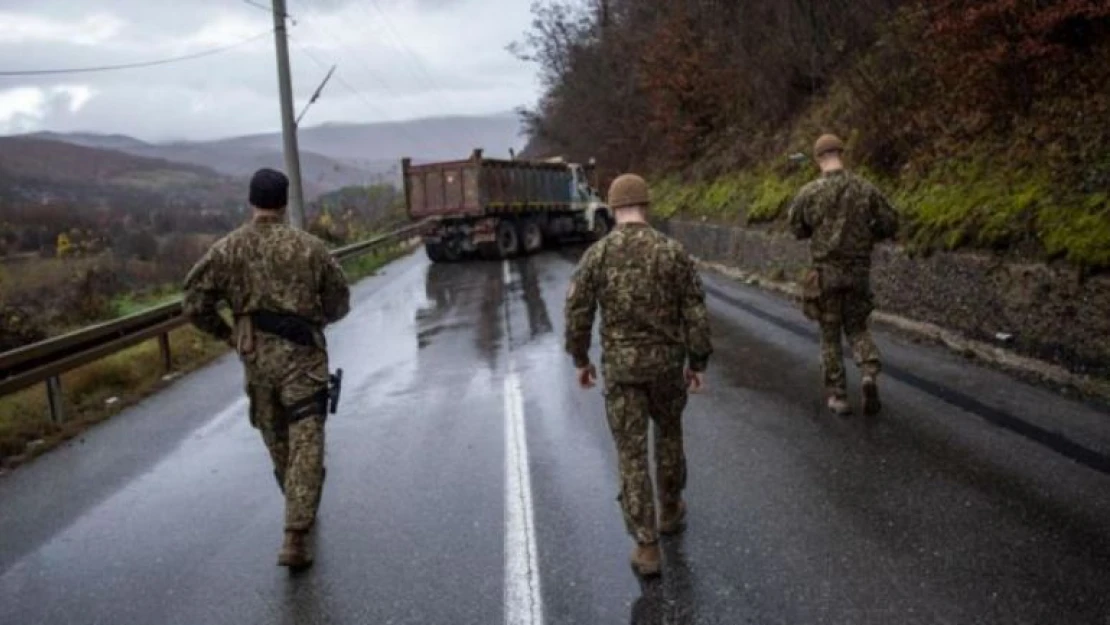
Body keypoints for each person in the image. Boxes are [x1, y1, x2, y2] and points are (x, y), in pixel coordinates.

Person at [183, 168, 350, 569]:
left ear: (251, 201)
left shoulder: (227, 250)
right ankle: (295, 534)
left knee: (278, 440)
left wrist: (226, 334)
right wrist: (318, 320)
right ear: (285, 202)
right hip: (304, 359)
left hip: (257, 360)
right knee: (307, 440)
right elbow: (340, 299)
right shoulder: (309, 247)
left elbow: (193, 302)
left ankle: (296, 499)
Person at [564, 173, 713, 578]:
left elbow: (578, 312)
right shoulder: (672, 252)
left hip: (623, 373)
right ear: (646, 206)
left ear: (613, 210)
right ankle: (669, 510)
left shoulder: (598, 255)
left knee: (630, 454)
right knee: (668, 436)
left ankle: (647, 547)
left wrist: (581, 359)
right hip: (667, 367)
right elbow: (695, 313)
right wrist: (696, 364)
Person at [788, 134, 899, 416]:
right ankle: (868, 374)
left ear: (817, 159)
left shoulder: (809, 193)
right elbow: (890, 222)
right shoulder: (864, 188)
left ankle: (838, 396)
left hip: (826, 275)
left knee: (829, 335)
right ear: (841, 153)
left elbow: (797, 229)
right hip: (858, 272)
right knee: (857, 327)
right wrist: (867, 234)